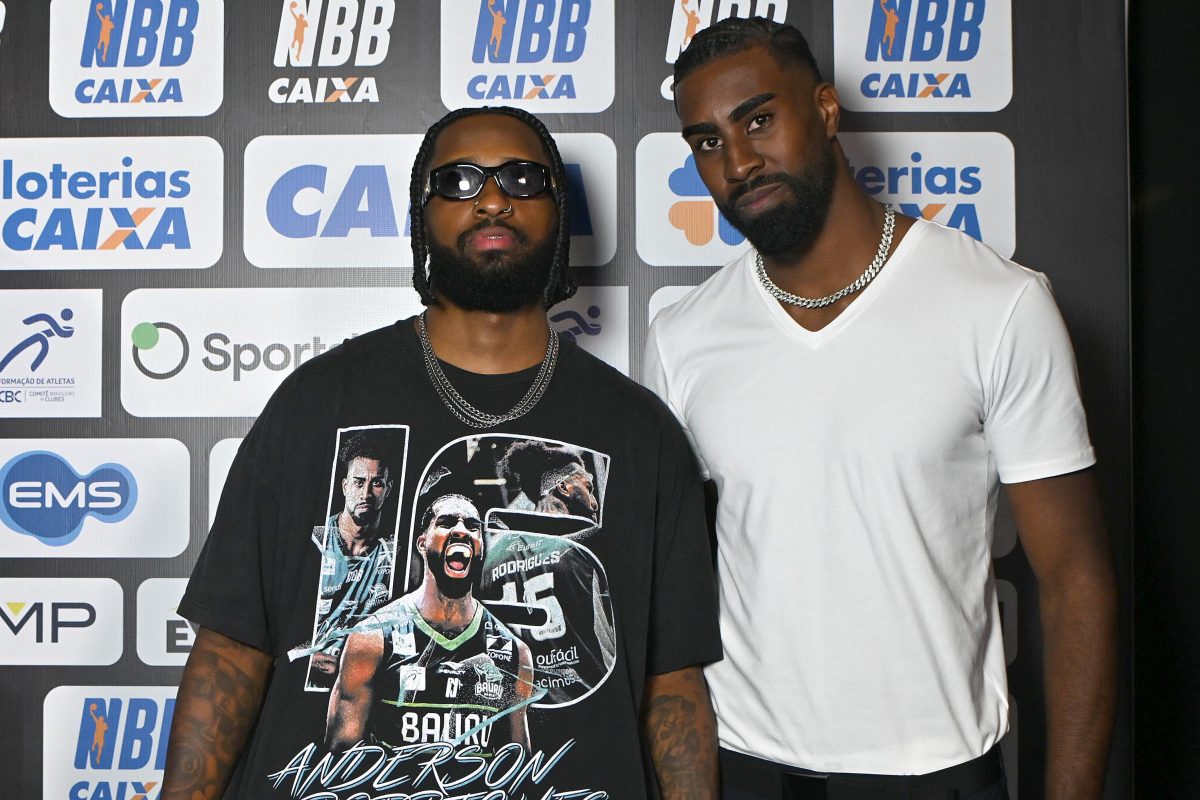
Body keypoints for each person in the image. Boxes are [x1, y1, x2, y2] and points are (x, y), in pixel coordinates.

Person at [164, 105, 721, 800]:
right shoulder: (316, 403)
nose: (492, 199)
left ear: (558, 209)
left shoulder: (641, 432)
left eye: (522, 179)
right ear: (420, 217)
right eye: (458, 181)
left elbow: (673, 685)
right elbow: (230, 648)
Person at [644, 17, 1117, 799]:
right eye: (707, 141)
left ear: (826, 110)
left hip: (936, 773)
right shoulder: (683, 337)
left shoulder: (997, 305)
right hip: (747, 767)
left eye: (759, 120)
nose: (738, 162)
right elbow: (670, 601)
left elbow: (1076, 579)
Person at [326, 493, 534, 753]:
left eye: (472, 527)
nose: (461, 531)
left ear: (481, 546)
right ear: (422, 544)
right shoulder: (371, 638)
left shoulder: (514, 653)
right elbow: (342, 754)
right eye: (446, 523)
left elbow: (517, 761)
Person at [304, 430, 397, 687]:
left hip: (363, 688)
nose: (366, 493)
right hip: (310, 684)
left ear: (388, 489)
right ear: (345, 486)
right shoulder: (315, 542)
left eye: (376, 483)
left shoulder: (398, 555)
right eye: (358, 482)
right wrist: (307, 661)